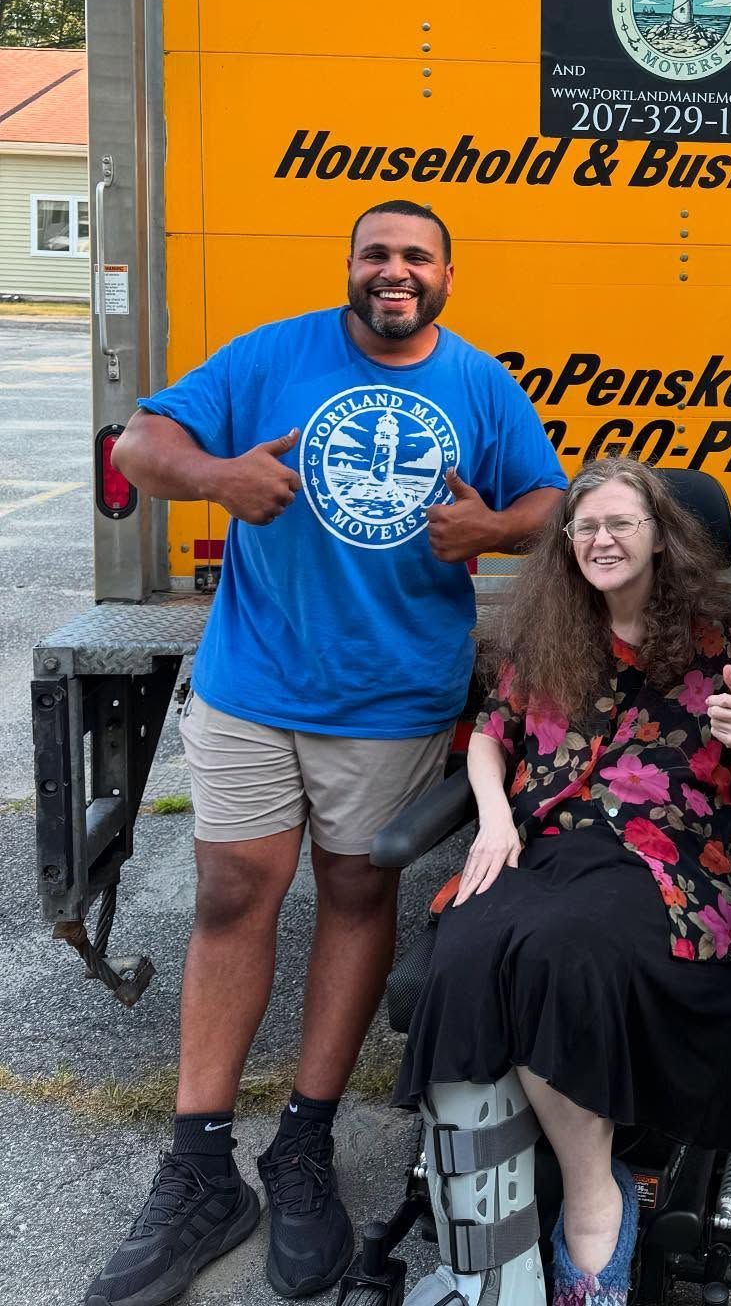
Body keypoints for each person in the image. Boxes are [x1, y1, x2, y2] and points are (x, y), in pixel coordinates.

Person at [86, 201, 567, 1306]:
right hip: (256, 686)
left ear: (448, 273)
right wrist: (218, 481)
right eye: (375, 255)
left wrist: (490, 530)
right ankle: (202, 1166)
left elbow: (550, 503)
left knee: (357, 898)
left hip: (393, 701)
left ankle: (301, 1148)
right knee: (231, 899)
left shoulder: (482, 386)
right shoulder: (271, 354)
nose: (393, 272)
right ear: (350, 268)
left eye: (415, 257)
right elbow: (141, 443)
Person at [392, 456, 731, 1306]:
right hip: (543, 846)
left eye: (621, 523)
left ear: (661, 535)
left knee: (557, 954)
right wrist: (495, 817)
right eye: (586, 527)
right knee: (464, 954)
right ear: (566, 542)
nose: (602, 540)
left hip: (670, 861)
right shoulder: (550, 628)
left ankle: (592, 1200)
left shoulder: (723, 636)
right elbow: (492, 733)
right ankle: (486, 1263)